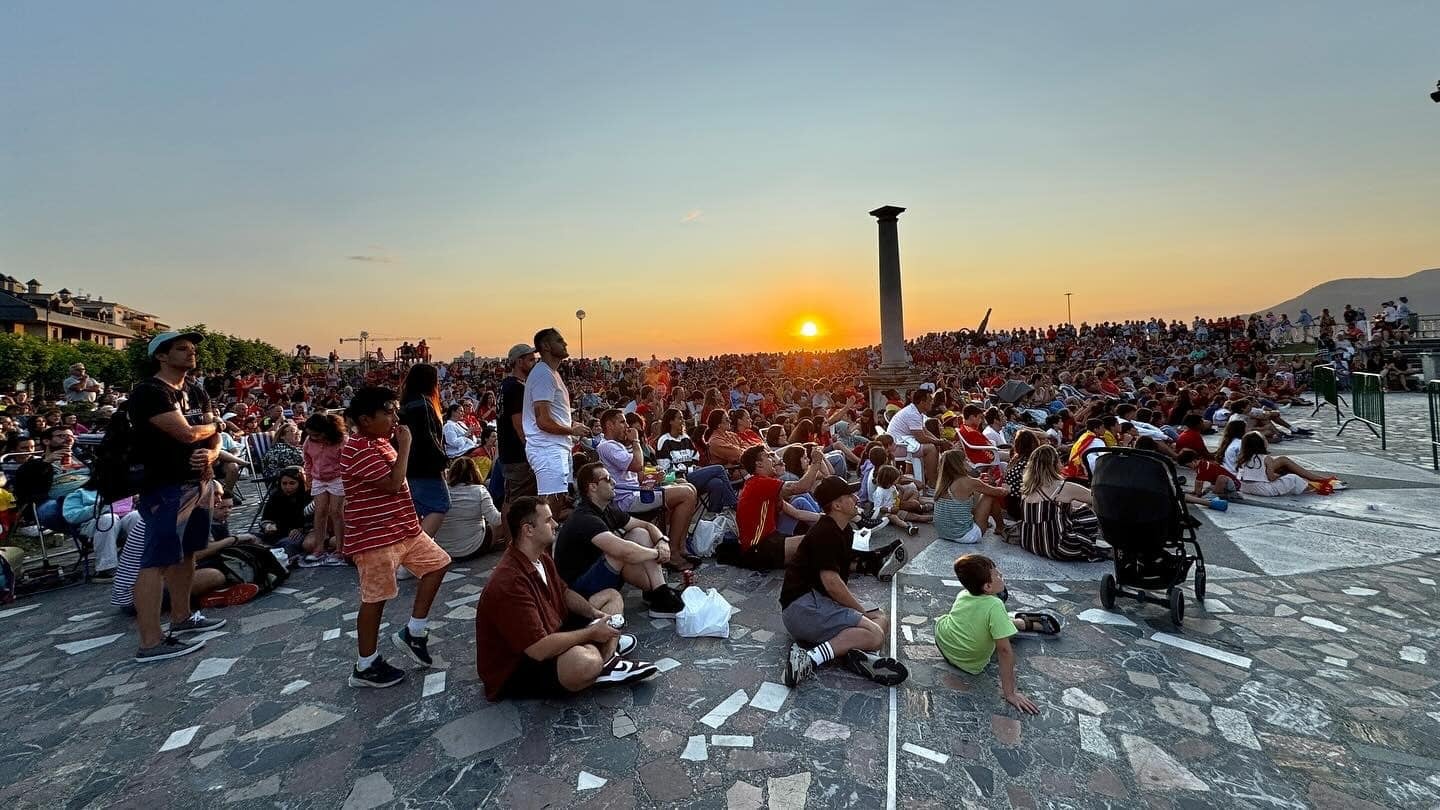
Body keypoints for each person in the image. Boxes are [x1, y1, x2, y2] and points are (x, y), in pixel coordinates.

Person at [475, 496, 659, 701]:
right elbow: (539, 649)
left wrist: (593, 614)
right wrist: (590, 633)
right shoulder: (509, 582)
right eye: (548, 520)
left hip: (552, 628)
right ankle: (604, 653)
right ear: (528, 530)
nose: (555, 524)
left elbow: (563, 592)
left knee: (611, 597)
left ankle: (606, 657)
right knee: (585, 663)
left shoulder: (541, 557)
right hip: (520, 667)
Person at [340, 386, 453, 688]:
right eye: (388, 412)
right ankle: (365, 665)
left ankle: (414, 631)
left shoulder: (379, 442)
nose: (395, 417)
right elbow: (392, 483)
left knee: (438, 564)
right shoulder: (357, 448)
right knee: (375, 599)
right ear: (365, 419)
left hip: (403, 529)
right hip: (375, 537)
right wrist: (405, 446)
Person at [127, 331, 226, 662]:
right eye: (182, 349)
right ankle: (150, 642)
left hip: (197, 483)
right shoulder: (149, 392)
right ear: (161, 356)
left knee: (187, 553)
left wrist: (211, 456)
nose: (191, 353)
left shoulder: (196, 391)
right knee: (156, 560)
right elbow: (186, 432)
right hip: (163, 484)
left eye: (192, 349)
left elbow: (213, 440)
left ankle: (182, 619)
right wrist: (214, 430)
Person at [780, 475, 907, 687]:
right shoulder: (825, 532)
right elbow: (831, 582)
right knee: (874, 634)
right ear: (837, 505)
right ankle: (810, 658)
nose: (856, 498)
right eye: (849, 495)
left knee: (881, 618)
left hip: (817, 603)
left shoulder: (844, 530)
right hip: (802, 607)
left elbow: (842, 570)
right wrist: (860, 611)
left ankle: (850, 653)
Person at [553, 462, 687, 617]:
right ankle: (658, 594)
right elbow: (623, 551)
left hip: (597, 573)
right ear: (593, 487)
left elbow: (646, 526)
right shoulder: (585, 518)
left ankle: (659, 591)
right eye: (608, 479)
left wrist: (662, 541)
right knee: (619, 553)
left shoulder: (606, 509)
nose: (614, 482)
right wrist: (657, 553)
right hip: (577, 590)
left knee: (639, 533)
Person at [934, 554, 1060, 715]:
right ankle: (1025, 623)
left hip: (944, 643)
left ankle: (1017, 622)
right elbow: (1004, 651)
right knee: (996, 626)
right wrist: (1010, 693)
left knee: (974, 619)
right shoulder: (995, 605)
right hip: (971, 663)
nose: (1002, 576)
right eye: (998, 575)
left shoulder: (963, 594)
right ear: (987, 587)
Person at [594, 408, 700, 570]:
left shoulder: (616, 445)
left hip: (635, 491)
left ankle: (680, 546)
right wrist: (636, 441)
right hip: (627, 499)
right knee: (686, 494)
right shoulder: (607, 446)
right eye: (622, 422)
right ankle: (672, 551)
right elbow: (637, 465)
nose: (627, 426)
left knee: (689, 486)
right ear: (609, 425)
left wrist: (653, 476)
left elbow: (635, 474)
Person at [523, 328, 590, 520]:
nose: (565, 344)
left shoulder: (551, 373)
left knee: (558, 500)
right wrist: (572, 429)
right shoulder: (543, 375)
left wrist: (570, 424)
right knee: (548, 505)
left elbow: (550, 415)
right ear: (545, 346)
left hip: (556, 446)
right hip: (547, 447)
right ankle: (541, 548)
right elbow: (542, 420)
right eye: (560, 340)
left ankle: (548, 547)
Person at [734, 444, 825, 569]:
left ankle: (856, 564)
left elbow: (796, 513)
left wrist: (828, 519)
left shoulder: (760, 483)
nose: (773, 460)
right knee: (818, 543)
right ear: (759, 464)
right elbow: (801, 487)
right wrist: (816, 462)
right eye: (768, 456)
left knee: (818, 547)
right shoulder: (759, 483)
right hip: (758, 548)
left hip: (768, 541)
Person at [1019, 445, 1107, 562]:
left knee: (1071, 507)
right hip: (1059, 548)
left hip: (1030, 542)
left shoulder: (1027, 488)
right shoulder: (1063, 487)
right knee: (1087, 512)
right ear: (1054, 464)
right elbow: (1096, 498)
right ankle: (1090, 545)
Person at [399, 363, 450, 538]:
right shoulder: (423, 405)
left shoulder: (407, 403)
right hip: (426, 467)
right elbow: (429, 438)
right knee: (440, 504)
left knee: (417, 511)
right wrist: (443, 463)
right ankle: (419, 551)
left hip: (409, 466)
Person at [495, 343, 539, 537]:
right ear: (519, 361)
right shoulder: (515, 387)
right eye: (530, 359)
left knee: (511, 498)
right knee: (517, 502)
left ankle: (510, 543)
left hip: (510, 453)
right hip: (518, 454)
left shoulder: (507, 385)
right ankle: (513, 545)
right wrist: (532, 451)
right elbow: (519, 424)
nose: (534, 362)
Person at [1233, 432, 1344, 497]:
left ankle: (1314, 483)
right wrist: (1279, 476)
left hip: (1245, 487)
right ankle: (1316, 486)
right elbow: (1271, 477)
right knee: (1293, 478)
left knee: (1286, 479)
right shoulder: (1266, 458)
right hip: (1262, 489)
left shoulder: (1243, 458)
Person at [301, 413, 347, 565]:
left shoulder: (341, 441)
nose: (313, 438)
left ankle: (340, 549)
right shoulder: (309, 441)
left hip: (337, 478)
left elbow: (346, 463)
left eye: (316, 435)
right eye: (311, 435)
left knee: (336, 512)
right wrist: (309, 479)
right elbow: (307, 460)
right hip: (318, 479)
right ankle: (319, 548)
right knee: (320, 512)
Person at [434, 457, 502, 559]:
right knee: (503, 521)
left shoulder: (441, 491)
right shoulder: (479, 491)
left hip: (444, 548)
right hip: (472, 547)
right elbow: (496, 520)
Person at [934, 449, 1007, 544]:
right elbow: (998, 492)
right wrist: (1006, 488)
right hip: (966, 536)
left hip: (944, 534)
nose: (969, 462)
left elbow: (965, 489)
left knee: (972, 498)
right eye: (966, 460)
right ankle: (1000, 527)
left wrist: (979, 482)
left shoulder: (943, 483)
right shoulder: (968, 482)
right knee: (989, 496)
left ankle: (996, 526)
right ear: (960, 464)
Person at [886, 390, 950, 488]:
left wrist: (939, 441)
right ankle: (932, 482)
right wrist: (939, 442)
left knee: (934, 445)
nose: (932, 403)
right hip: (898, 446)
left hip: (903, 442)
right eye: (929, 401)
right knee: (931, 449)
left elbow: (924, 431)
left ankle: (926, 477)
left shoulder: (916, 412)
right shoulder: (913, 414)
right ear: (922, 402)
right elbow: (921, 438)